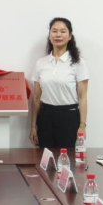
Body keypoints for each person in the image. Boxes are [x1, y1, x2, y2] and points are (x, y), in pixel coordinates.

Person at [29, 17, 90, 149]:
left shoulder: (78, 63)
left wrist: (82, 125)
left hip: (69, 117)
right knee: (45, 157)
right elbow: (36, 97)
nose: (58, 35)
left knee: (66, 157)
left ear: (70, 36)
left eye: (63, 31)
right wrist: (33, 126)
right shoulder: (41, 63)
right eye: (54, 31)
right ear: (49, 35)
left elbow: (82, 96)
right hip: (45, 116)